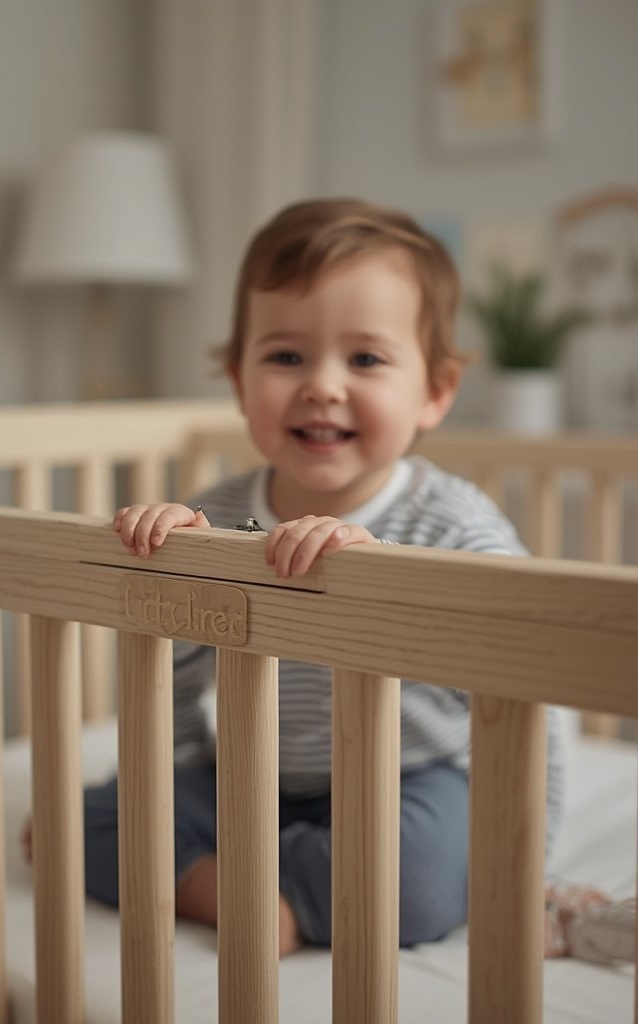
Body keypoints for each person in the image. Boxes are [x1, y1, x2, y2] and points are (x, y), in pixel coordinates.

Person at [78, 198, 566, 956]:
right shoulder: (213, 518)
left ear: (434, 391)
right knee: (92, 816)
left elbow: (528, 680)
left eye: (365, 359)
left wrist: (527, 857)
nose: (323, 386)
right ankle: (245, 888)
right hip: (251, 767)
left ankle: (276, 897)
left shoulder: (453, 527)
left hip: (407, 778)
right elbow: (173, 673)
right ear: (240, 382)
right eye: (286, 357)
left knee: (427, 875)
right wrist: (173, 573)